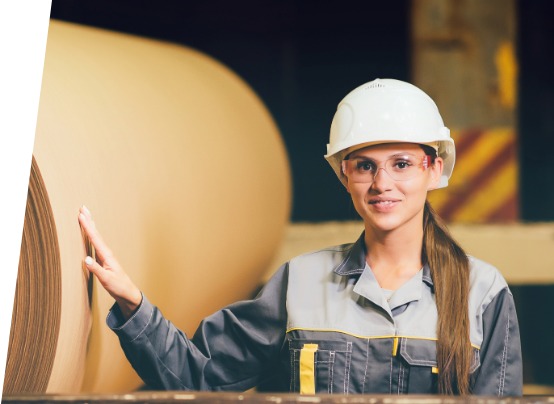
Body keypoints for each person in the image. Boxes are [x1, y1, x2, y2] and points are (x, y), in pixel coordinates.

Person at [78, 78, 522, 396]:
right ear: (344, 175)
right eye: (365, 165)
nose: (382, 183)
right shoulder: (300, 283)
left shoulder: (482, 294)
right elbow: (200, 378)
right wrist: (133, 302)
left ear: (434, 168)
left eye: (402, 163)